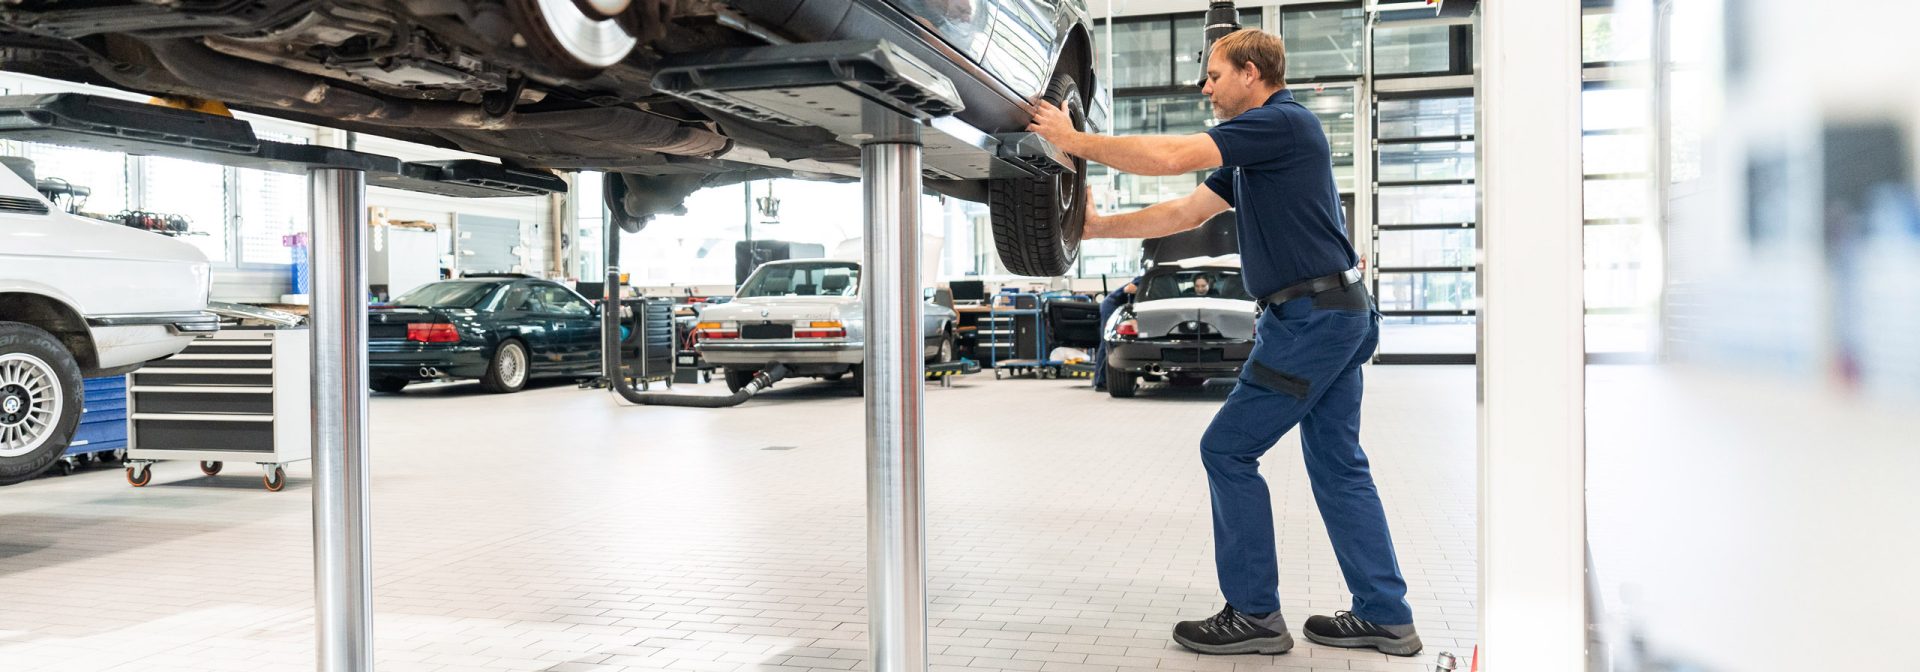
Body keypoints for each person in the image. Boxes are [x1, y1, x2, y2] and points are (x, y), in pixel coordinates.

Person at [1028, 28, 1420, 657]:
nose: (1206, 87)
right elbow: (1184, 213)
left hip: (1312, 320)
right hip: (1334, 312)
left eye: (1214, 75)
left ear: (1250, 73)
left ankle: (1255, 614)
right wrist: (1097, 229)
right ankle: (1385, 614)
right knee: (1338, 464)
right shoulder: (1257, 152)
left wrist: (1072, 140)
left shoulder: (1281, 124)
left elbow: (1171, 156)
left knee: (1228, 449)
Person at [1091, 275, 1140, 391]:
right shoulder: (1144, 278)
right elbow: (1128, 289)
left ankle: (1103, 380)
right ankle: (1100, 382)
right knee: (1108, 341)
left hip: (1116, 305)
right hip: (1112, 306)